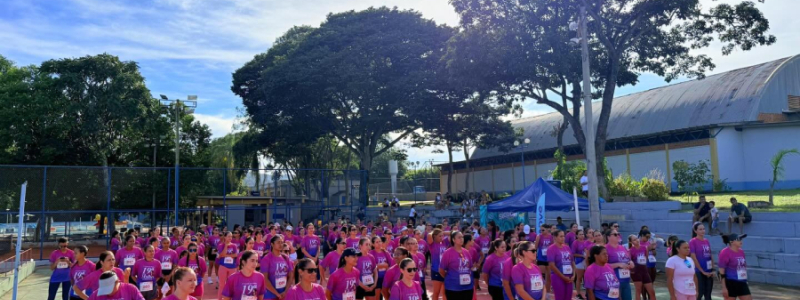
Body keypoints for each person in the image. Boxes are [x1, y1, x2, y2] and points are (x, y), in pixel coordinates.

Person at [439, 231, 474, 300]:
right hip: (453, 287)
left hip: (467, 287)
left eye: (462, 237)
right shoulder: (448, 253)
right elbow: (441, 270)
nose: (461, 239)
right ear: (453, 239)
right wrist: (451, 277)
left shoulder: (466, 252)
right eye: (459, 237)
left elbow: (470, 267)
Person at [261, 235, 294, 300]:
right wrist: (276, 293)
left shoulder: (285, 257)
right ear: (272, 244)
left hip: (284, 293)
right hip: (270, 295)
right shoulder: (266, 258)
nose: (281, 244)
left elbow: (291, 275)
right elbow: (265, 279)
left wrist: (286, 291)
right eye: (278, 242)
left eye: (282, 242)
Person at [719, 233, 751, 300]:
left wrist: (745, 280)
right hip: (731, 282)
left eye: (741, 239)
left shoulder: (741, 252)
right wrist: (724, 287)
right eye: (738, 239)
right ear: (731, 242)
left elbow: (743, 266)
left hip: (742, 282)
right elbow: (721, 271)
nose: (741, 241)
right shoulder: (725, 252)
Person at [604, 229, 632, 300]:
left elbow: (628, 260)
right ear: (608, 237)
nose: (618, 236)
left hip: (626, 280)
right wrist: (618, 264)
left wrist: (631, 263)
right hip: (614, 282)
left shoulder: (622, 247)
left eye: (618, 234)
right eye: (615, 234)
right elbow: (602, 266)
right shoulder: (605, 248)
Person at [547, 230, 575, 300]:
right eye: (561, 236)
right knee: (560, 297)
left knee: (568, 297)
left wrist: (574, 275)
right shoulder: (551, 249)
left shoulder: (567, 247)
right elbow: (552, 265)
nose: (563, 238)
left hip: (569, 277)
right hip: (557, 277)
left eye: (564, 236)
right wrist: (563, 277)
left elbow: (572, 262)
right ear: (555, 237)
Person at [690, 223, 714, 300]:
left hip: (709, 271)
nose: (703, 231)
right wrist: (702, 271)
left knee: (708, 295)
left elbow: (710, 255)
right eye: (700, 229)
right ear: (695, 231)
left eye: (703, 229)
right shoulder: (692, 241)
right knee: (699, 294)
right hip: (698, 271)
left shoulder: (706, 241)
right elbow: (693, 257)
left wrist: (713, 269)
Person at [626, 235, 654, 300]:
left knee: (651, 291)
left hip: (644, 271)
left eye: (637, 238)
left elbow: (646, 258)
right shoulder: (630, 250)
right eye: (634, 240)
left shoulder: (644, 248)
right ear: (631, 242)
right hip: (636, 272)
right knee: (638, 291)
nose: (637, 240)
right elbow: (629, 261)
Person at [216, 232, 239, 299]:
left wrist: (226, 255)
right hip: (223, 266)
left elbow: (236, 255)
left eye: (231, 236)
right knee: (222, 285)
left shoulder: (234, 245)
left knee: (232, 285)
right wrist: (226, 246)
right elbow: (221, 255)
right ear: (225, 237)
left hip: (232, 267)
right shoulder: (221, 245)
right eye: (228, 236)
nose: (230, 238)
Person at [429, 229, 447, 300]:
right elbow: (428, 235)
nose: (441, 237)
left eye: (442, 236)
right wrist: (434, 231)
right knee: (436, 292)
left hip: (445, 270)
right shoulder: (432, 244)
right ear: (434, 236)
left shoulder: (444, 243)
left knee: (445, 292)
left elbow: (452, 233)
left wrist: (442, 232)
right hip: (436, 270)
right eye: (439, 236)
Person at [572, 229, 590, 300]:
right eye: (580, 234)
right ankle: (578, 293)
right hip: (579, 262)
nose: (582, 235)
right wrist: (582, 256)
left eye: (582, 234)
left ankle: (587, 293)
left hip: (586, 261)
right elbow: (573, 253)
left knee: (586, 278)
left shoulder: (586, 242)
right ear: (577, 235)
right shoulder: (575, 243)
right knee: (579, 278)